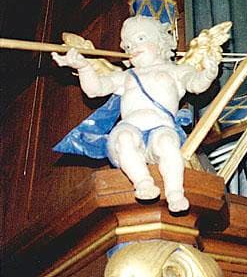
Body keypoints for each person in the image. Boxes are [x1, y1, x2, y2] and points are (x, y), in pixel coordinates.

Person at [52, 16, 221, 212]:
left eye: (140, 39)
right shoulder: (126, 76)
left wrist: (208, 73)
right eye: (128, 45)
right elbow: (95, 90)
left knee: (167, 143)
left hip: (161, 127)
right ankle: (143, 182)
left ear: (159, 42)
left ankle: (175, 192)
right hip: (130, 127)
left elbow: (196, 85)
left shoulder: (176, 71)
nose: (133, 47)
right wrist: (83, 67)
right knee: (123, 138)